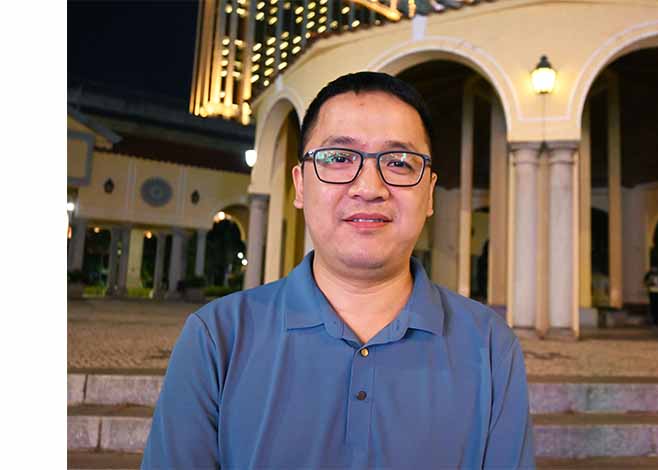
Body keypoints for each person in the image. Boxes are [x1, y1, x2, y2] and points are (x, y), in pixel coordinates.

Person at [142, 71, 535, 469]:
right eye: (339, 158)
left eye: (399, 162)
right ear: (300, 185)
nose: (369, 188)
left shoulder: (489, 346)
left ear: (429, 193)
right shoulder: (218, 338)